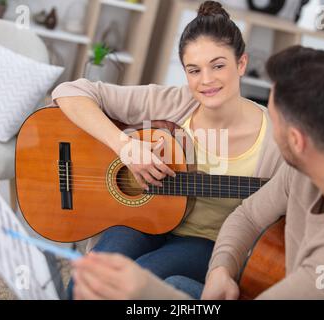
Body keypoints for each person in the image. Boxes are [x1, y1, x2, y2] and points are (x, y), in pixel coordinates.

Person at [71, 46, 324, 300]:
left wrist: (145, 290)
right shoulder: (319, 163)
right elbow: (248, 216)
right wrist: (220, 269)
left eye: (274, 121)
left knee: (158, 289)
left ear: (297, 141)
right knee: (177, 286)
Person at [52, 1, 282, 298]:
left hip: (207, 243)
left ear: (241, 64)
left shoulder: (276, 139)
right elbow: (69, 92)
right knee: (96, 271)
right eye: (194, 70)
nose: (206, 80)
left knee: (140, 279)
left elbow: (299, 204)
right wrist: (124, 146)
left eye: (218, 65)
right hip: (143, 219)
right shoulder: (172, 101)